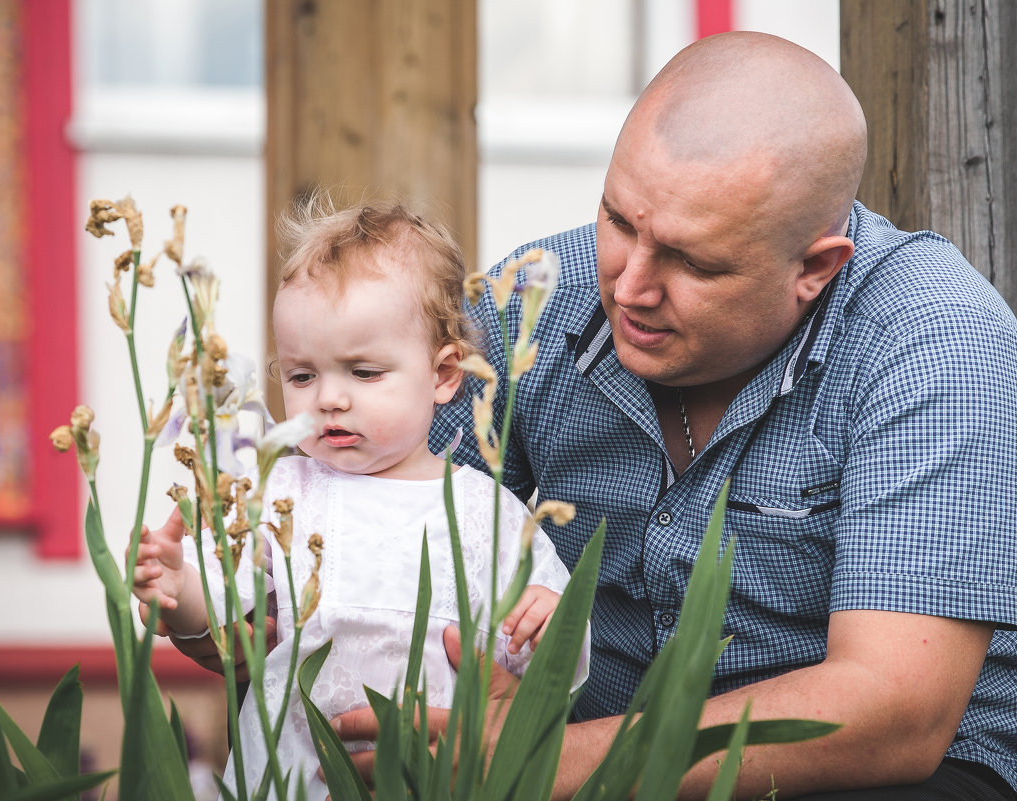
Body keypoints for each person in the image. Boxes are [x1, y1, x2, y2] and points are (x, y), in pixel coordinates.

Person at [326, 31, 1017, 799]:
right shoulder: (526, 308)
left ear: (815, 269)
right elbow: (357, 526)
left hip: (873, 776)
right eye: (619, 221)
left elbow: (895, 710)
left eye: (694, 262)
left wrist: (540, 761)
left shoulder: (935, 341)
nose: (629, 287)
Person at [132, 199, 587, 801]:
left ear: (445, 372)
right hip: (291, 776)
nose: (329, 400)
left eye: (364, 372)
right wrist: (177, 586)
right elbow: (220, 600)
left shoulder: (486, 510)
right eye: (301, 376)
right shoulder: (283, 491)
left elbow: (552, 666)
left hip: (436, 779)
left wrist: (549, 619)